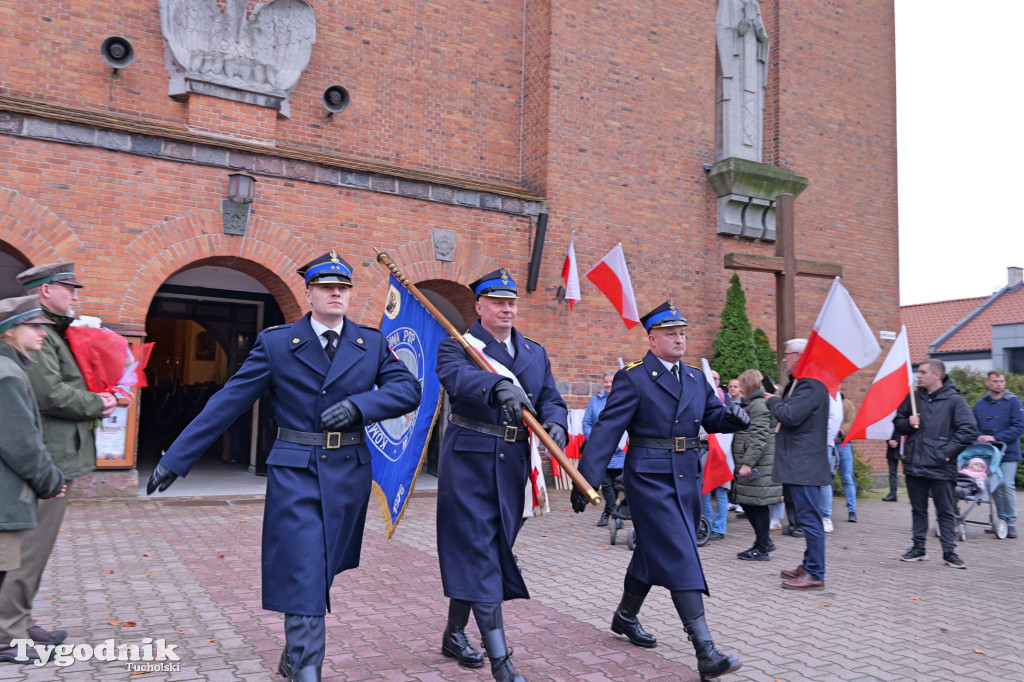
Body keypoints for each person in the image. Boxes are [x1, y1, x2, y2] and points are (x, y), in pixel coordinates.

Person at [146, 252, 421, 682]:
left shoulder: (370, 343)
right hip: (296, 470)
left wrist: (358, 406)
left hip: (348, 472)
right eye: (327, 287)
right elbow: (229, 401)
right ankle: (307, 668)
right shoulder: (278, 344)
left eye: (343, 287)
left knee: (319, 568)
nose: (336, 293)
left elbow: (408, 389)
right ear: (308, 293)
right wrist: (177, 458)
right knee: (303, 566)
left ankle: (295, 655)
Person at [571, 301, 749, 680]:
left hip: (686, 476)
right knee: (680, 552)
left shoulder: (696, 378)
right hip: (649, 478)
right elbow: (607, 430)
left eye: (683, 332)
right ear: (652, 339)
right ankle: (705, 650)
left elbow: (710, 416)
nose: (680, 339)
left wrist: (731, 417)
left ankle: (625, 616)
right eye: (671, 333)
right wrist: (584, 479)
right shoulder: (633, 377)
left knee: (653, 556)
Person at [435, 268, 567, 682]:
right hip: (470, 460)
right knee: (482, 554)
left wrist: (557, 425)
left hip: (515, 466)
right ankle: (502, 661)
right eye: (497, 302)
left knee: (488, 553)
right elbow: (456, 378)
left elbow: (551, 399)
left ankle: (455, 632)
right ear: (479, 307)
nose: (507, 308)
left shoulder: (534, 351)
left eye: (511, 302)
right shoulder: (457, 346)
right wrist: (494, 387)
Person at [0, 263, 115, 653]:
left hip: (51, 458)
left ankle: (20, 619)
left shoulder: (49, 334)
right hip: (46, 461)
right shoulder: (39, 337)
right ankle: (9, 630)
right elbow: (50, 394)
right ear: (46, 291)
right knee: (27, 550)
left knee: (29, 550)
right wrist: (99, 402)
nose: (76, 297)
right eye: (71, 289)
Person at [0, 295, 67, 665]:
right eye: (34, 326)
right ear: (10, 331)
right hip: (6, 491)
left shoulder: (11, 369)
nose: (43, 332)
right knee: (4, 565)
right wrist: (50, 480)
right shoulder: (7, 374)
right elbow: (21, 443)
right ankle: (4, 641)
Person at [894, 359, 976, 569]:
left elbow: (968, 430)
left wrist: (947, 453)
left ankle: (949, 553)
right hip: (915, 463)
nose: (918, 376)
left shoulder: (954, 400)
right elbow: (898, 423)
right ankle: (918, 548)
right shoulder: (913, 398)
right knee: (918, 509)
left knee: (946, 511)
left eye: (922, 372)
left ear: (937, 375)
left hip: (941, 466)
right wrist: (908, 424)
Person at [765, 338, 830, 590]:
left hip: (804, 464)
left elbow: (789, 416)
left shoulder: (810, 386)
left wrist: (773, 400)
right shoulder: (802, 385)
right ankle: (809, 564)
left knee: (810, 520)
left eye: (787, 354)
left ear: (801, 357)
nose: (784, 359)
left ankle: (815, 572)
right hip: (801, 463)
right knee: (806, 519)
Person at [731, 369, 782, 561]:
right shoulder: (753, 403)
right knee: (749, 502)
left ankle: (761, 547)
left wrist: (747, 463)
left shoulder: (758, 405)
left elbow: (759, 437)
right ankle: (765, 542)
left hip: (757, 465)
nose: (739, 387)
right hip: (757, 463)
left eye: (741, 384)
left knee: (757, 505)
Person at [972, 370, 1024, 539]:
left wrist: (995, 437)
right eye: (995, 381)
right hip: (988, 454)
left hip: (1008, 453)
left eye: (1001, 381)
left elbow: (1019, 426)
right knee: (994, 487)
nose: (999, 384)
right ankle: (1000, 521)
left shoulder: (1014, 402)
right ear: (988, 383)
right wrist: (978, 436)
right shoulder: (980, 405)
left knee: (1006, 485)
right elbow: (972, 426)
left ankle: (1010, 522)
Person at [582, 370, 625, 528]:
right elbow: (587, 422)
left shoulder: (624, 399)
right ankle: (615, 513)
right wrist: (594, 441)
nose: (608, 384)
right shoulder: (596, 400)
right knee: (606, 483)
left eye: (611, 381)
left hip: (621, 451)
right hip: (602, 450)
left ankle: (607, 513)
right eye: (606, 381)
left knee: (617, 484)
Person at [818, 391, 843, 533]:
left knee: (824, 480)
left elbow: (835, 418)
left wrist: (825, 439)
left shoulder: (832, 392)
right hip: (811, 442)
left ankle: (826, 516)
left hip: (824, 442)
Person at [835, 390, 858, 522]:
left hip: (844, 444)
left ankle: (852, 510)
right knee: (827, 479)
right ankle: (826, 512)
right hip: (829, 445)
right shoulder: (826, 402)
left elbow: (851, 421)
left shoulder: (847, 404)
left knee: (847, 477)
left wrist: (839, 434)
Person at [882, 432, 903, 502]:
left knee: (909, 472)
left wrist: (898, 440)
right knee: (892, 473)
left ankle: (913, 495)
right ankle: (893, 494)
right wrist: (889, 441)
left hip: (904, 448)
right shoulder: (887, 422)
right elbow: (885, 432)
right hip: (892, 450)